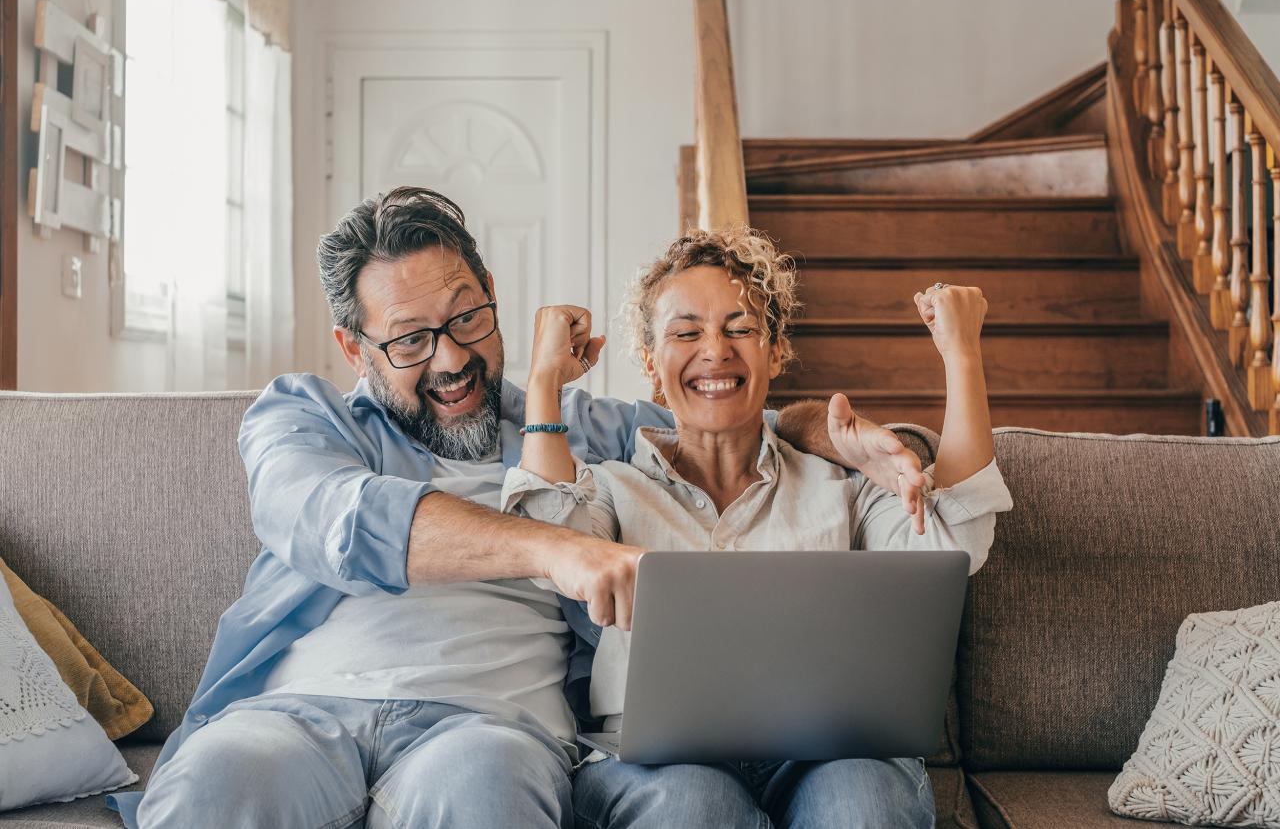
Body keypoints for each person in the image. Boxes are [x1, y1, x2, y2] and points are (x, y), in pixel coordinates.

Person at [108, 188, 930, 829]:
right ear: (354, 348)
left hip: (489, 724)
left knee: (486, 791)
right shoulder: (306, 419)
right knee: (215, 781)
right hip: (300, 710)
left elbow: (723, 413)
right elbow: (339, 518)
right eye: (410, 339)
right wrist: (554, 549)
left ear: (493, 295)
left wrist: (848, 435)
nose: (451, 358)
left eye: (467, 317)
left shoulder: (579, 429)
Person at [503, 226, 1015, 828]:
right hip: (660, 765)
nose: (715, 350)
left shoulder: (841, 484)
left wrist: (962, 354)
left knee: (865, 803)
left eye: (740, 328)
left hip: (829, 752)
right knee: (692, 808)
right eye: (686, 333)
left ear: (775, 353)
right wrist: (544, 381)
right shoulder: (614, 490)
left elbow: (954, 541)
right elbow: (548, 540)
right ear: (650, 363)